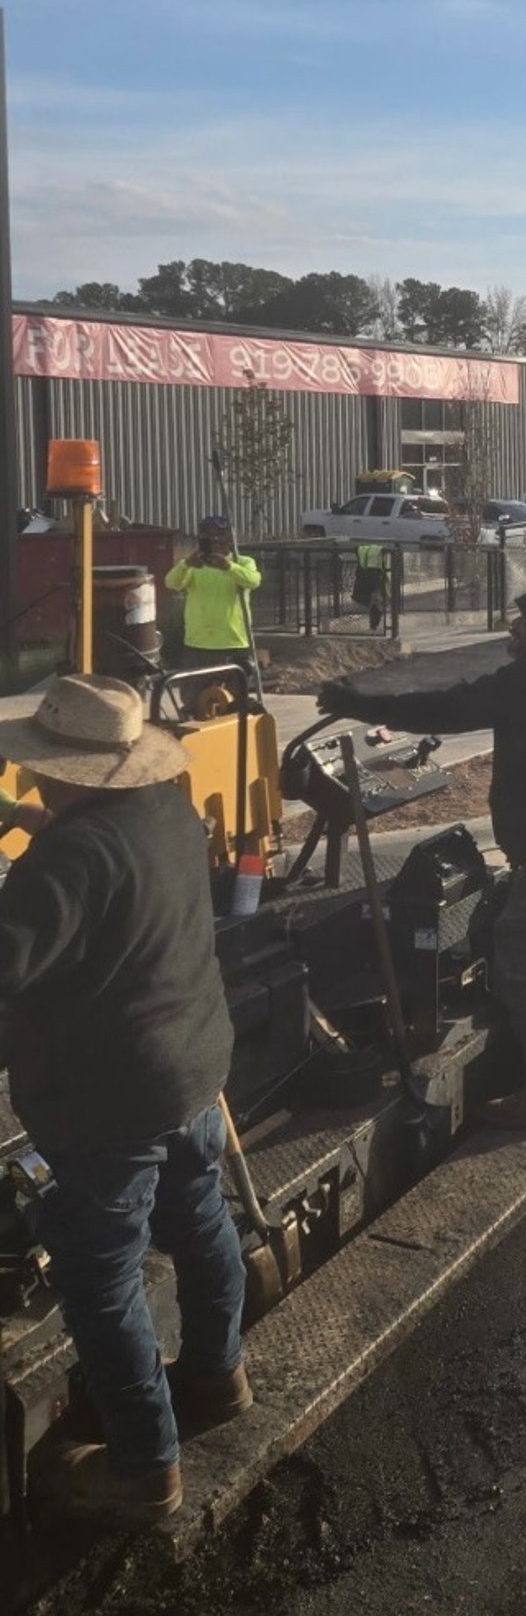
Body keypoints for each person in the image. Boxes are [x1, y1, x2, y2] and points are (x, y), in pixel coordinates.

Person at [0, 675, 250, 1525]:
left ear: (53, 767)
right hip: (193, 1066)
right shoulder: (171, 813)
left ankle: (145, 1468)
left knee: (100, 1274)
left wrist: (27, 866)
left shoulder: (63, 867)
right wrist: (38, 832)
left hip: (111, 1099)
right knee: (200, 1214)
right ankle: (219, 1375)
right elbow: (110, 868)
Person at [317, 578, 526, 1131]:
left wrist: (356, 703)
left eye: (523, 619)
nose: (513, 627)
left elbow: (453, 706)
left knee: (521, 965)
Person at [165, 515, 262, 708]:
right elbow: (171, 583)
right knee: (193, 700)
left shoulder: (242, 562)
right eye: (208, 536)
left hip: (234, 642)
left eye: (220, 534)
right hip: (199, 644)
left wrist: (228, 567)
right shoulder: (192, 566)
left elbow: (253, 580)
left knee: (237, 700)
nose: (215, 540)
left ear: (230, 537)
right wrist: (186, 565)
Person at [351, 537, 390, 635]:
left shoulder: (362, 552)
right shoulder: (380, 555)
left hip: (367, 575)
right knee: (377, 604)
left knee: (375, 603)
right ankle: (374, 626)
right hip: (375, 576)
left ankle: (374, 626)